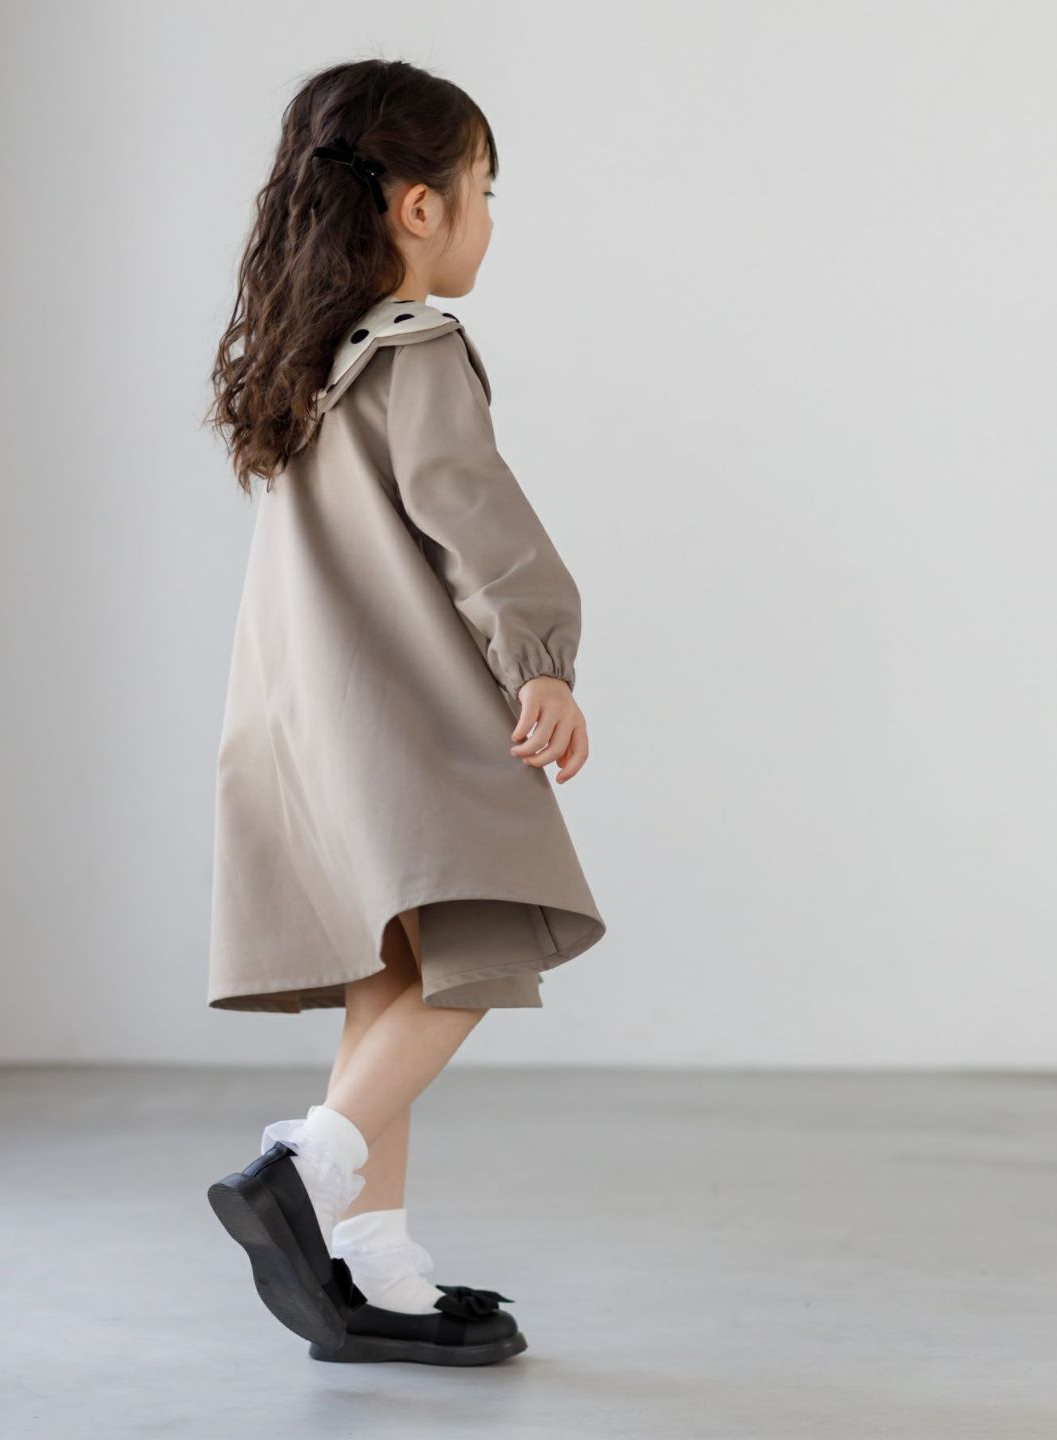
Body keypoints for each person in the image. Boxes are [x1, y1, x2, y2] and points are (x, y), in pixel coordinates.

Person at [202, 57, 607, 1367]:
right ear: (421, 207)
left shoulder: (301, 365)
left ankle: (375, 1266)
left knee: (390, 981)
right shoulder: (416, 349)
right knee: (481, 946)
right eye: (486, 189)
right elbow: (471, 516)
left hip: (301, 724)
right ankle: (304, 1169)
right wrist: (540, 662)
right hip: (404, 715)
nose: (490, 217)